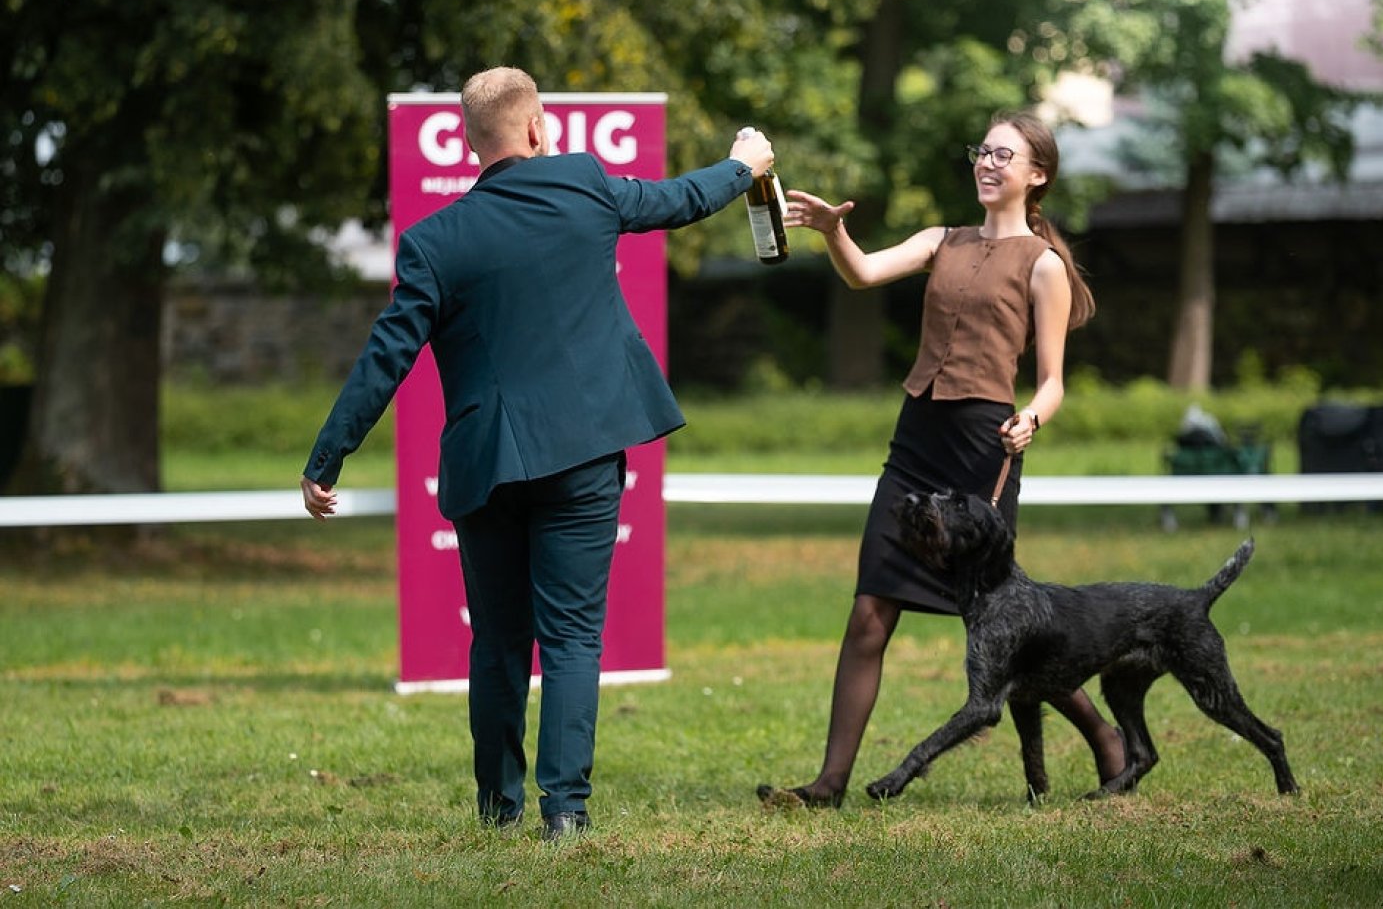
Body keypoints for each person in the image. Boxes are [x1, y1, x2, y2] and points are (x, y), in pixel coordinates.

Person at [301, 66, 775, 840]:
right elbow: (679, 200)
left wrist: (327, 458)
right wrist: (743, 166)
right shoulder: (583, 185)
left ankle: (498, 809)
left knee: (496, 643)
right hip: (583, 454)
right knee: (572, 636)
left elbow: (385, 357)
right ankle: (565, 812)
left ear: (469, 142)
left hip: (486, 466)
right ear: (536, 128)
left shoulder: (432, 242)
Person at [756, 111, 1124, 809]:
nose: (987, 163)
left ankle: (1105, 738)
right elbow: (863, 273)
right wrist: (834, 232)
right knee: (870, 611)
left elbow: (1052, 381)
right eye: (982, 150)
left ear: (1037, 175)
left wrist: (1031, 419)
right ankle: (828, 785)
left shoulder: (1043, 265)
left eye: (1004, 155)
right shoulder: (941, 239)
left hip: (984, 449)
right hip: (916, 444)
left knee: (1007, 628)